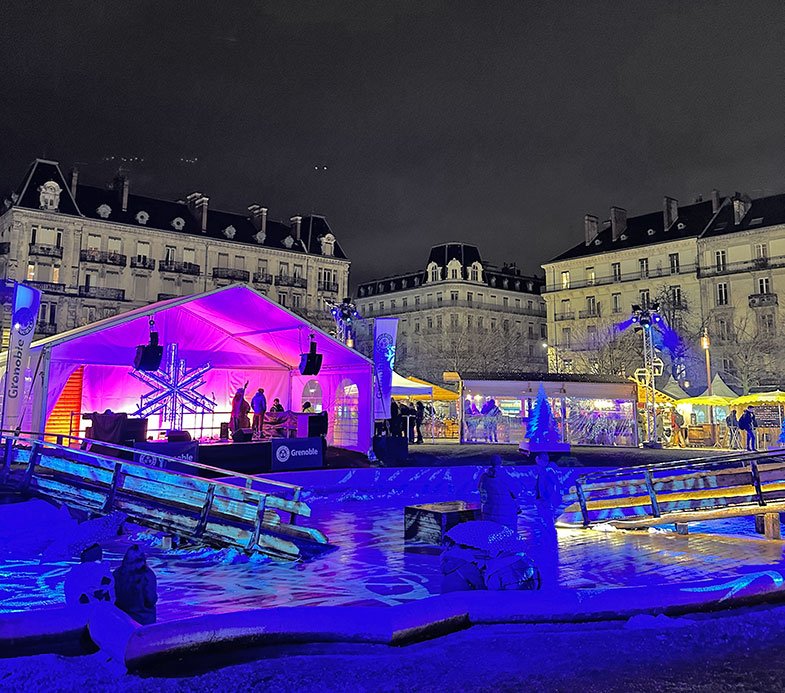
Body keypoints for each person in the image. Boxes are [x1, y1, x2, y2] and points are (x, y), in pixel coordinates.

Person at [113, 545, 158, 625]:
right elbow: (151, 600)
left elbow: (113, 597)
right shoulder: (147, 574)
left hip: (122, 619)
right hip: (144, 621)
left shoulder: (116, 573)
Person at [478, 455, 521, 530]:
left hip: (489, 514)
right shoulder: (506, 477)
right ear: (501, 463)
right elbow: (516, 493)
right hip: (506, 515)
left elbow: (481, 492)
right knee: (506, 538)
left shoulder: (483, 478)